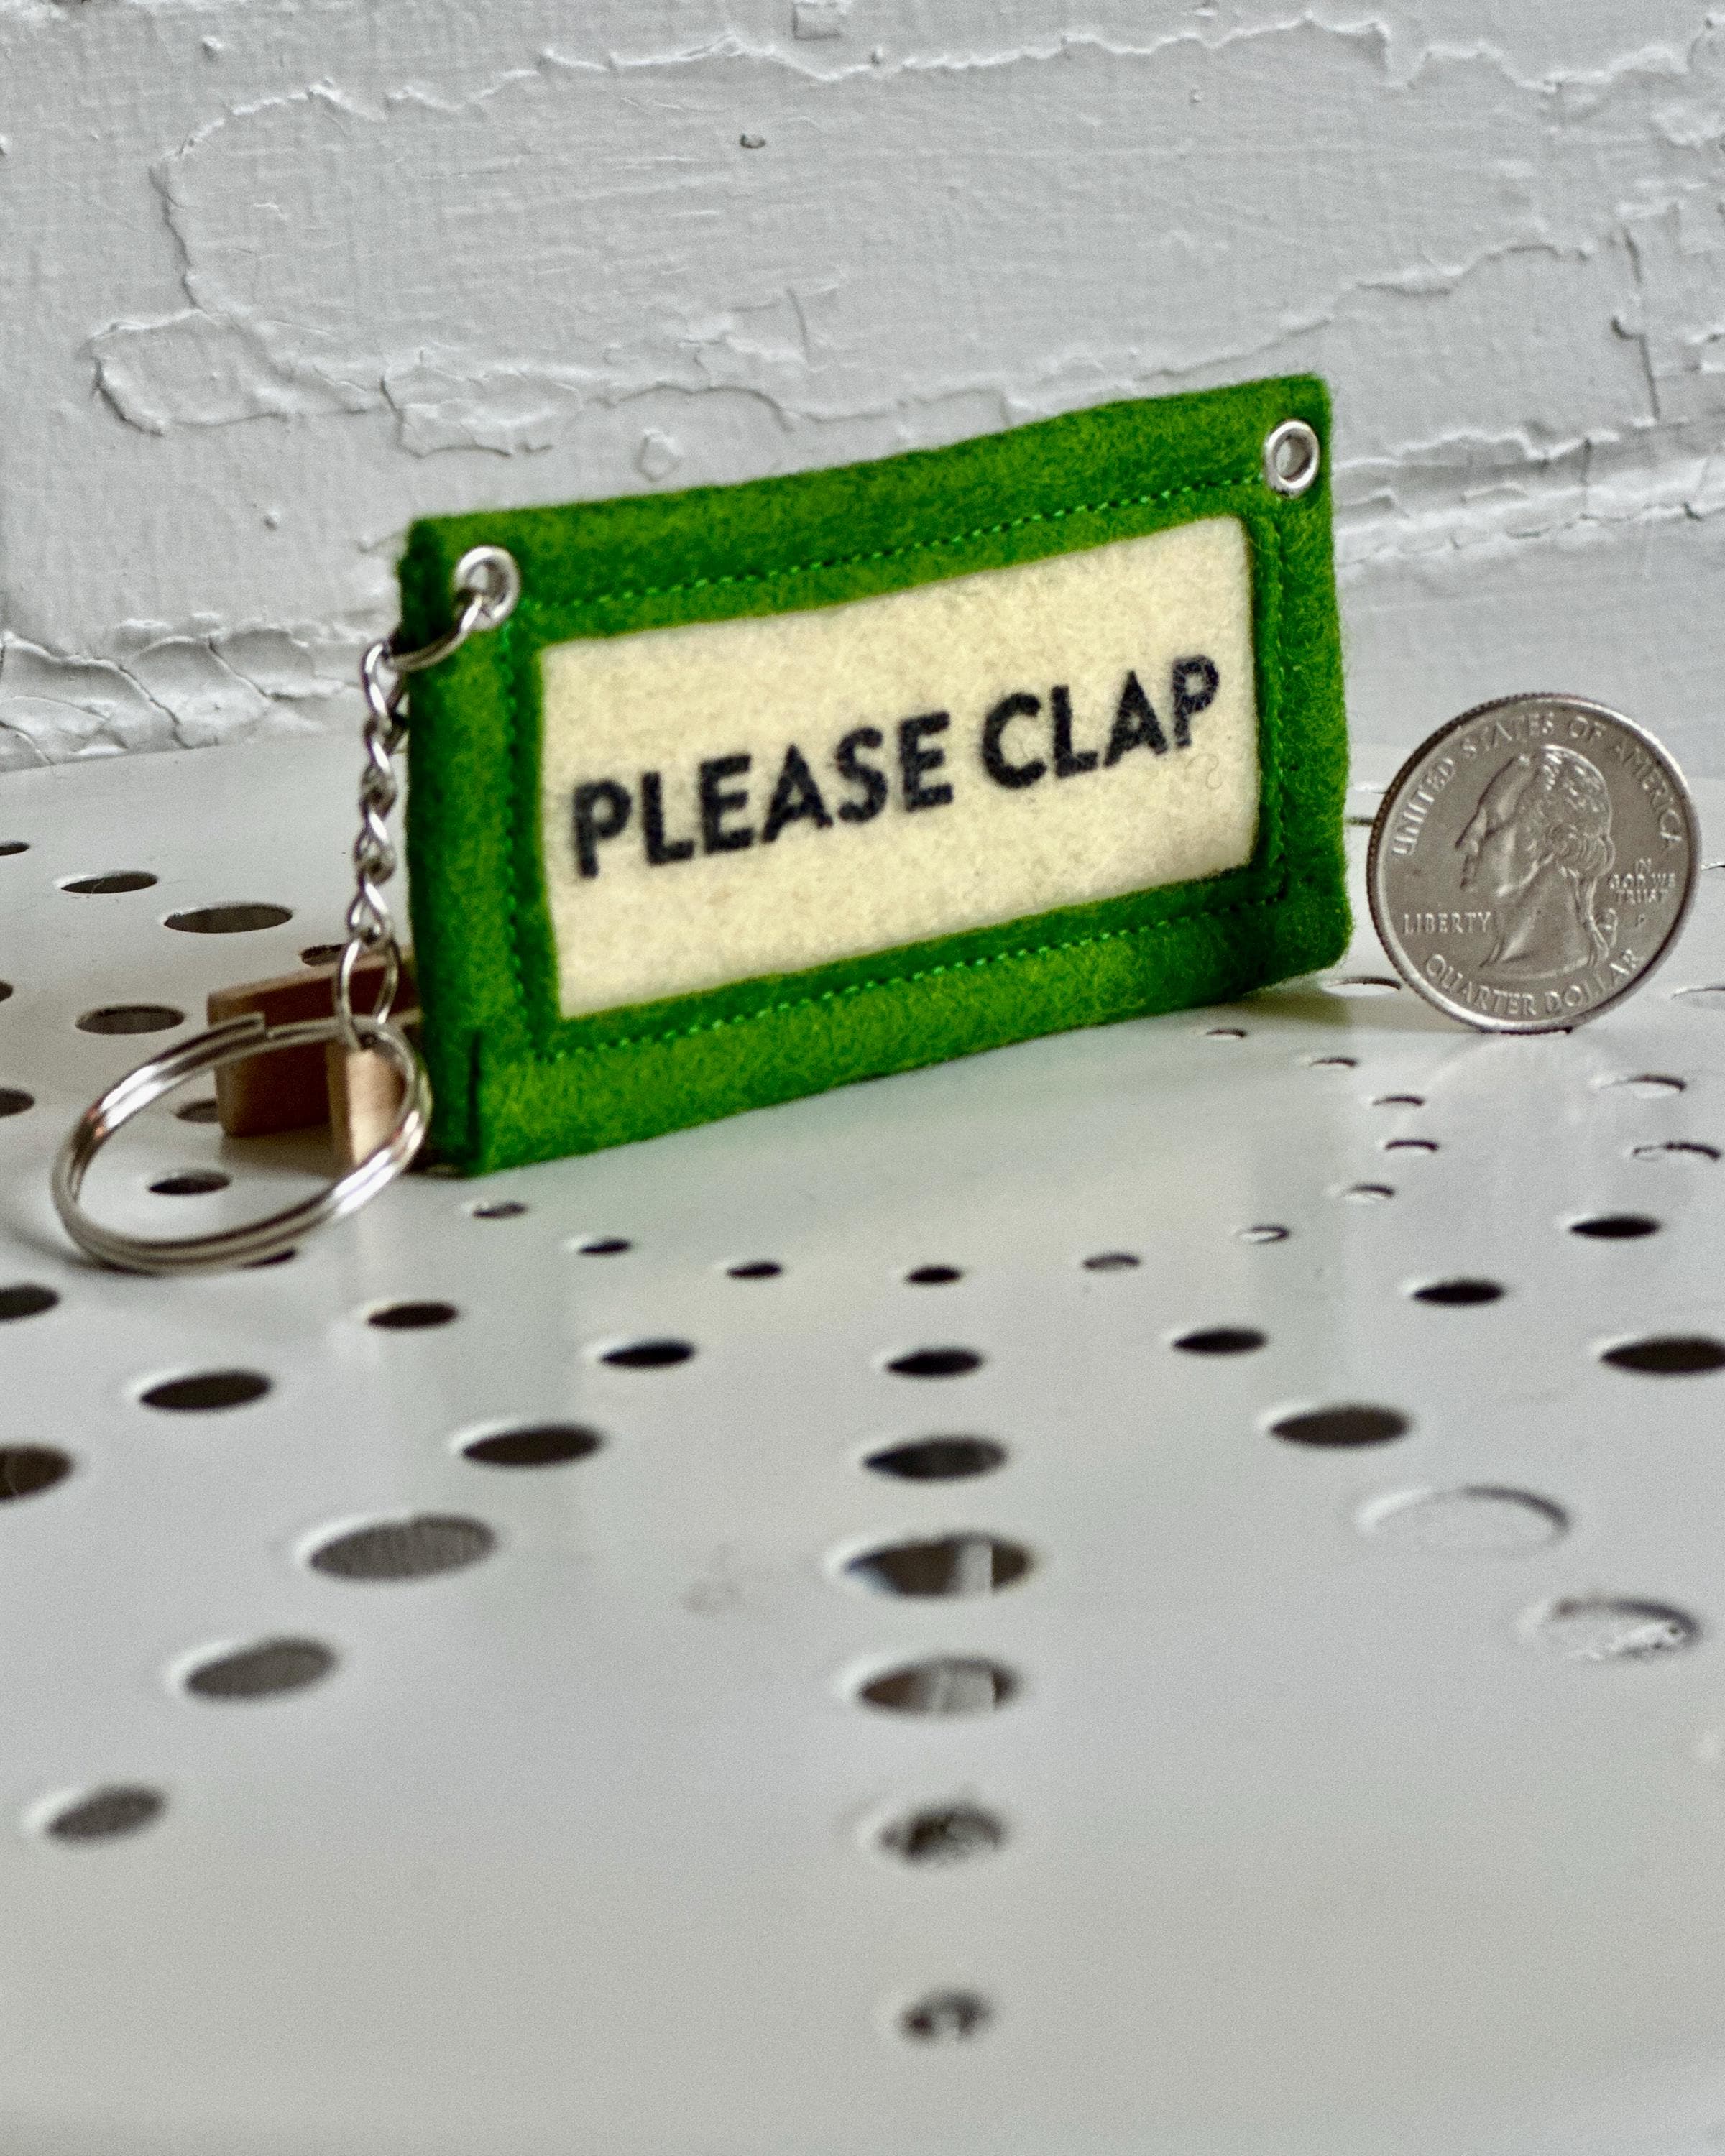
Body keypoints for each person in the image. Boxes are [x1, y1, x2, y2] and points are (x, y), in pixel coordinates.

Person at [1455, 743, 1617, 976]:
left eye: (1492, 824)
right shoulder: (1502, 969)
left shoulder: (1526, 969)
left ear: (1553, 845)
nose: (1465, 842)